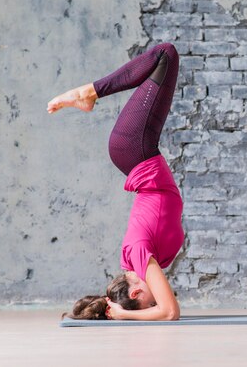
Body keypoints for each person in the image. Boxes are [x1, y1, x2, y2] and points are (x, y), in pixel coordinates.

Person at [49, 42, 183, 321]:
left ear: (136, 294)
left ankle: (87, 93)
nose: (154, 301)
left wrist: (124, 315)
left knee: (165, 55)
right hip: (139, 154)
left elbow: (169, 312)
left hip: (134, 150)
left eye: (149, 304)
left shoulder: (138, 254)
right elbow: (164, 308)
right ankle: (88, 93)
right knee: (164, 59)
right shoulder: (137, 260)